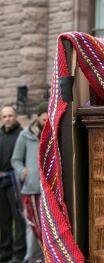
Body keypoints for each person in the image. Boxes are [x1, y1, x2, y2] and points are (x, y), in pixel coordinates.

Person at [11, 102, 46, 263]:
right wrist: (22, 172)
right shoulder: (25, 135)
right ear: (38, 117)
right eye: (43, 118)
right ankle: (30, 257)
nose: (46, 121)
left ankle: (47, 256)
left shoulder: (54, 133)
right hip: (30, 188)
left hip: (49, 189)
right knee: (32, 225)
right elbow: (16, 159)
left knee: (48, 225)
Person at [0, 105, 26, 263]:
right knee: (3, 220)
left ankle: (19, 253)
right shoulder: (0, 135)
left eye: (10, 116)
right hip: (0, 183)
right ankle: (4, 253)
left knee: (19, 219)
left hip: (16, 183)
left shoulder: (22, 135)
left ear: (15, 117)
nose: (8, 119)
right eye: (4, 116)